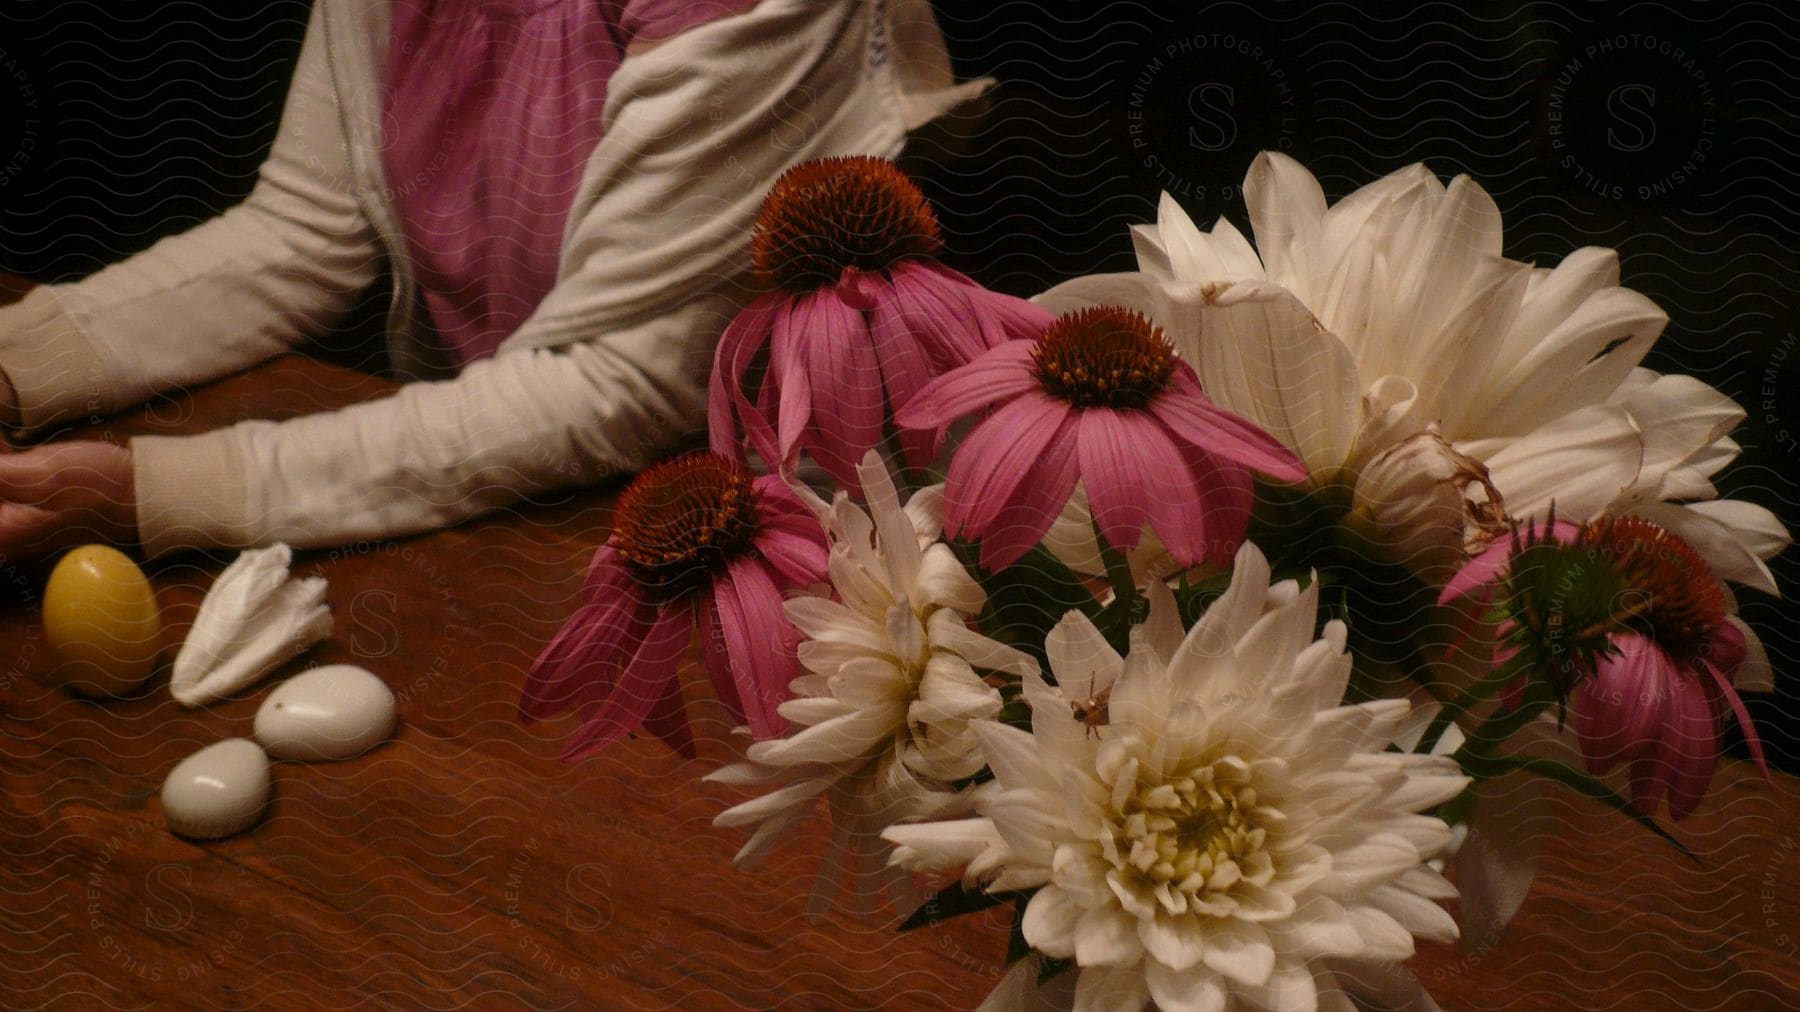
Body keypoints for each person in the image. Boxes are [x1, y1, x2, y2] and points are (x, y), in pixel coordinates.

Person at [0, 0, 983, 559]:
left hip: (786, 547)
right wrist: (18, 364)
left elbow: (624, 383)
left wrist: (160, 492)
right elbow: (311, 225)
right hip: (508, 497)